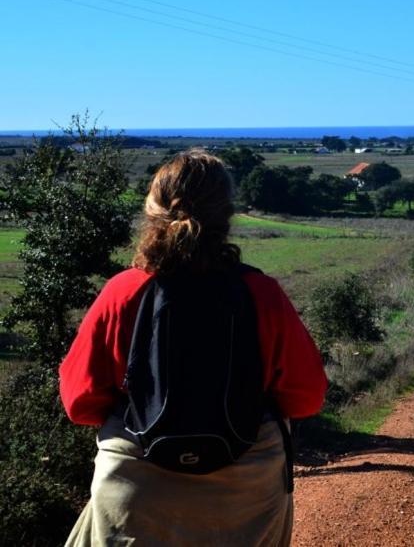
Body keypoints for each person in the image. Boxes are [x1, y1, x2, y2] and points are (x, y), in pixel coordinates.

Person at [60, 150, 327, 546]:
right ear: (227, 215)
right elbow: (306, 398)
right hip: (247, 493)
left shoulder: (123, 292)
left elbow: (80, 403)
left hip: (137, 492)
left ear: (153, 211)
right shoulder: (261, 294)